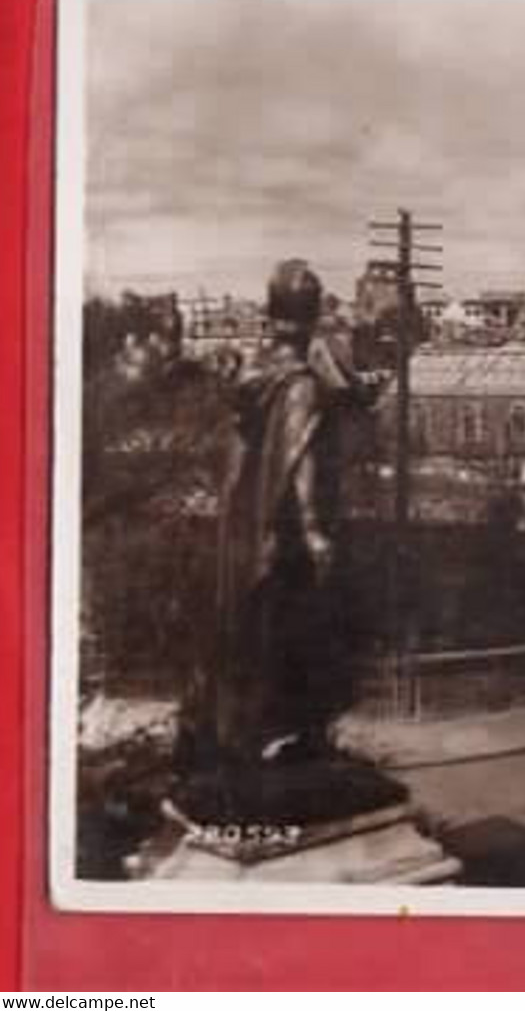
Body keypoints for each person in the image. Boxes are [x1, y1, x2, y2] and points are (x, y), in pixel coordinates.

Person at [177, 259, 358, 773]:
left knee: (249, 633)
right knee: (299, 638)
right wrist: (318, 536)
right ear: (311, 319)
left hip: (245, 531)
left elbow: (238, 464)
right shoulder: (299, 384)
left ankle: (241, 738)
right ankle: (289, 740)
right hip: (288, 540)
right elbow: (297, 465)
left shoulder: (252, 375)